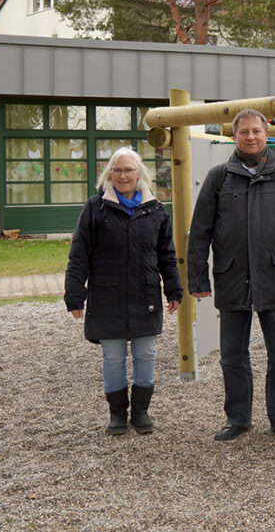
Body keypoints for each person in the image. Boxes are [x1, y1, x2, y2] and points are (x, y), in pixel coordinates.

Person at [187, 108, 275, 444]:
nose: (250, 137)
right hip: (232, 279)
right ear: (234, 136)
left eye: (256, 132)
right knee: (232, 355)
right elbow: (199, 233)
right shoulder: (218, 178)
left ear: (266, 133)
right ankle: (238, 417)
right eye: (244, 132)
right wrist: (198, 280)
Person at [65, 147, 182, 435]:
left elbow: (167, 254)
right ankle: (117, 414)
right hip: (107, 295)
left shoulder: (156, 210)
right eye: (117, 170)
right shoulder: (96, 208)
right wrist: (74, 295)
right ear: (109, 174)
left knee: (146, 355)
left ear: (140, 173)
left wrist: (174, 289)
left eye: (129, 170)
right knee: (113, 357)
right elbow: (79, 254)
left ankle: (140, 412)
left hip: (145, 295)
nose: (123, 175)